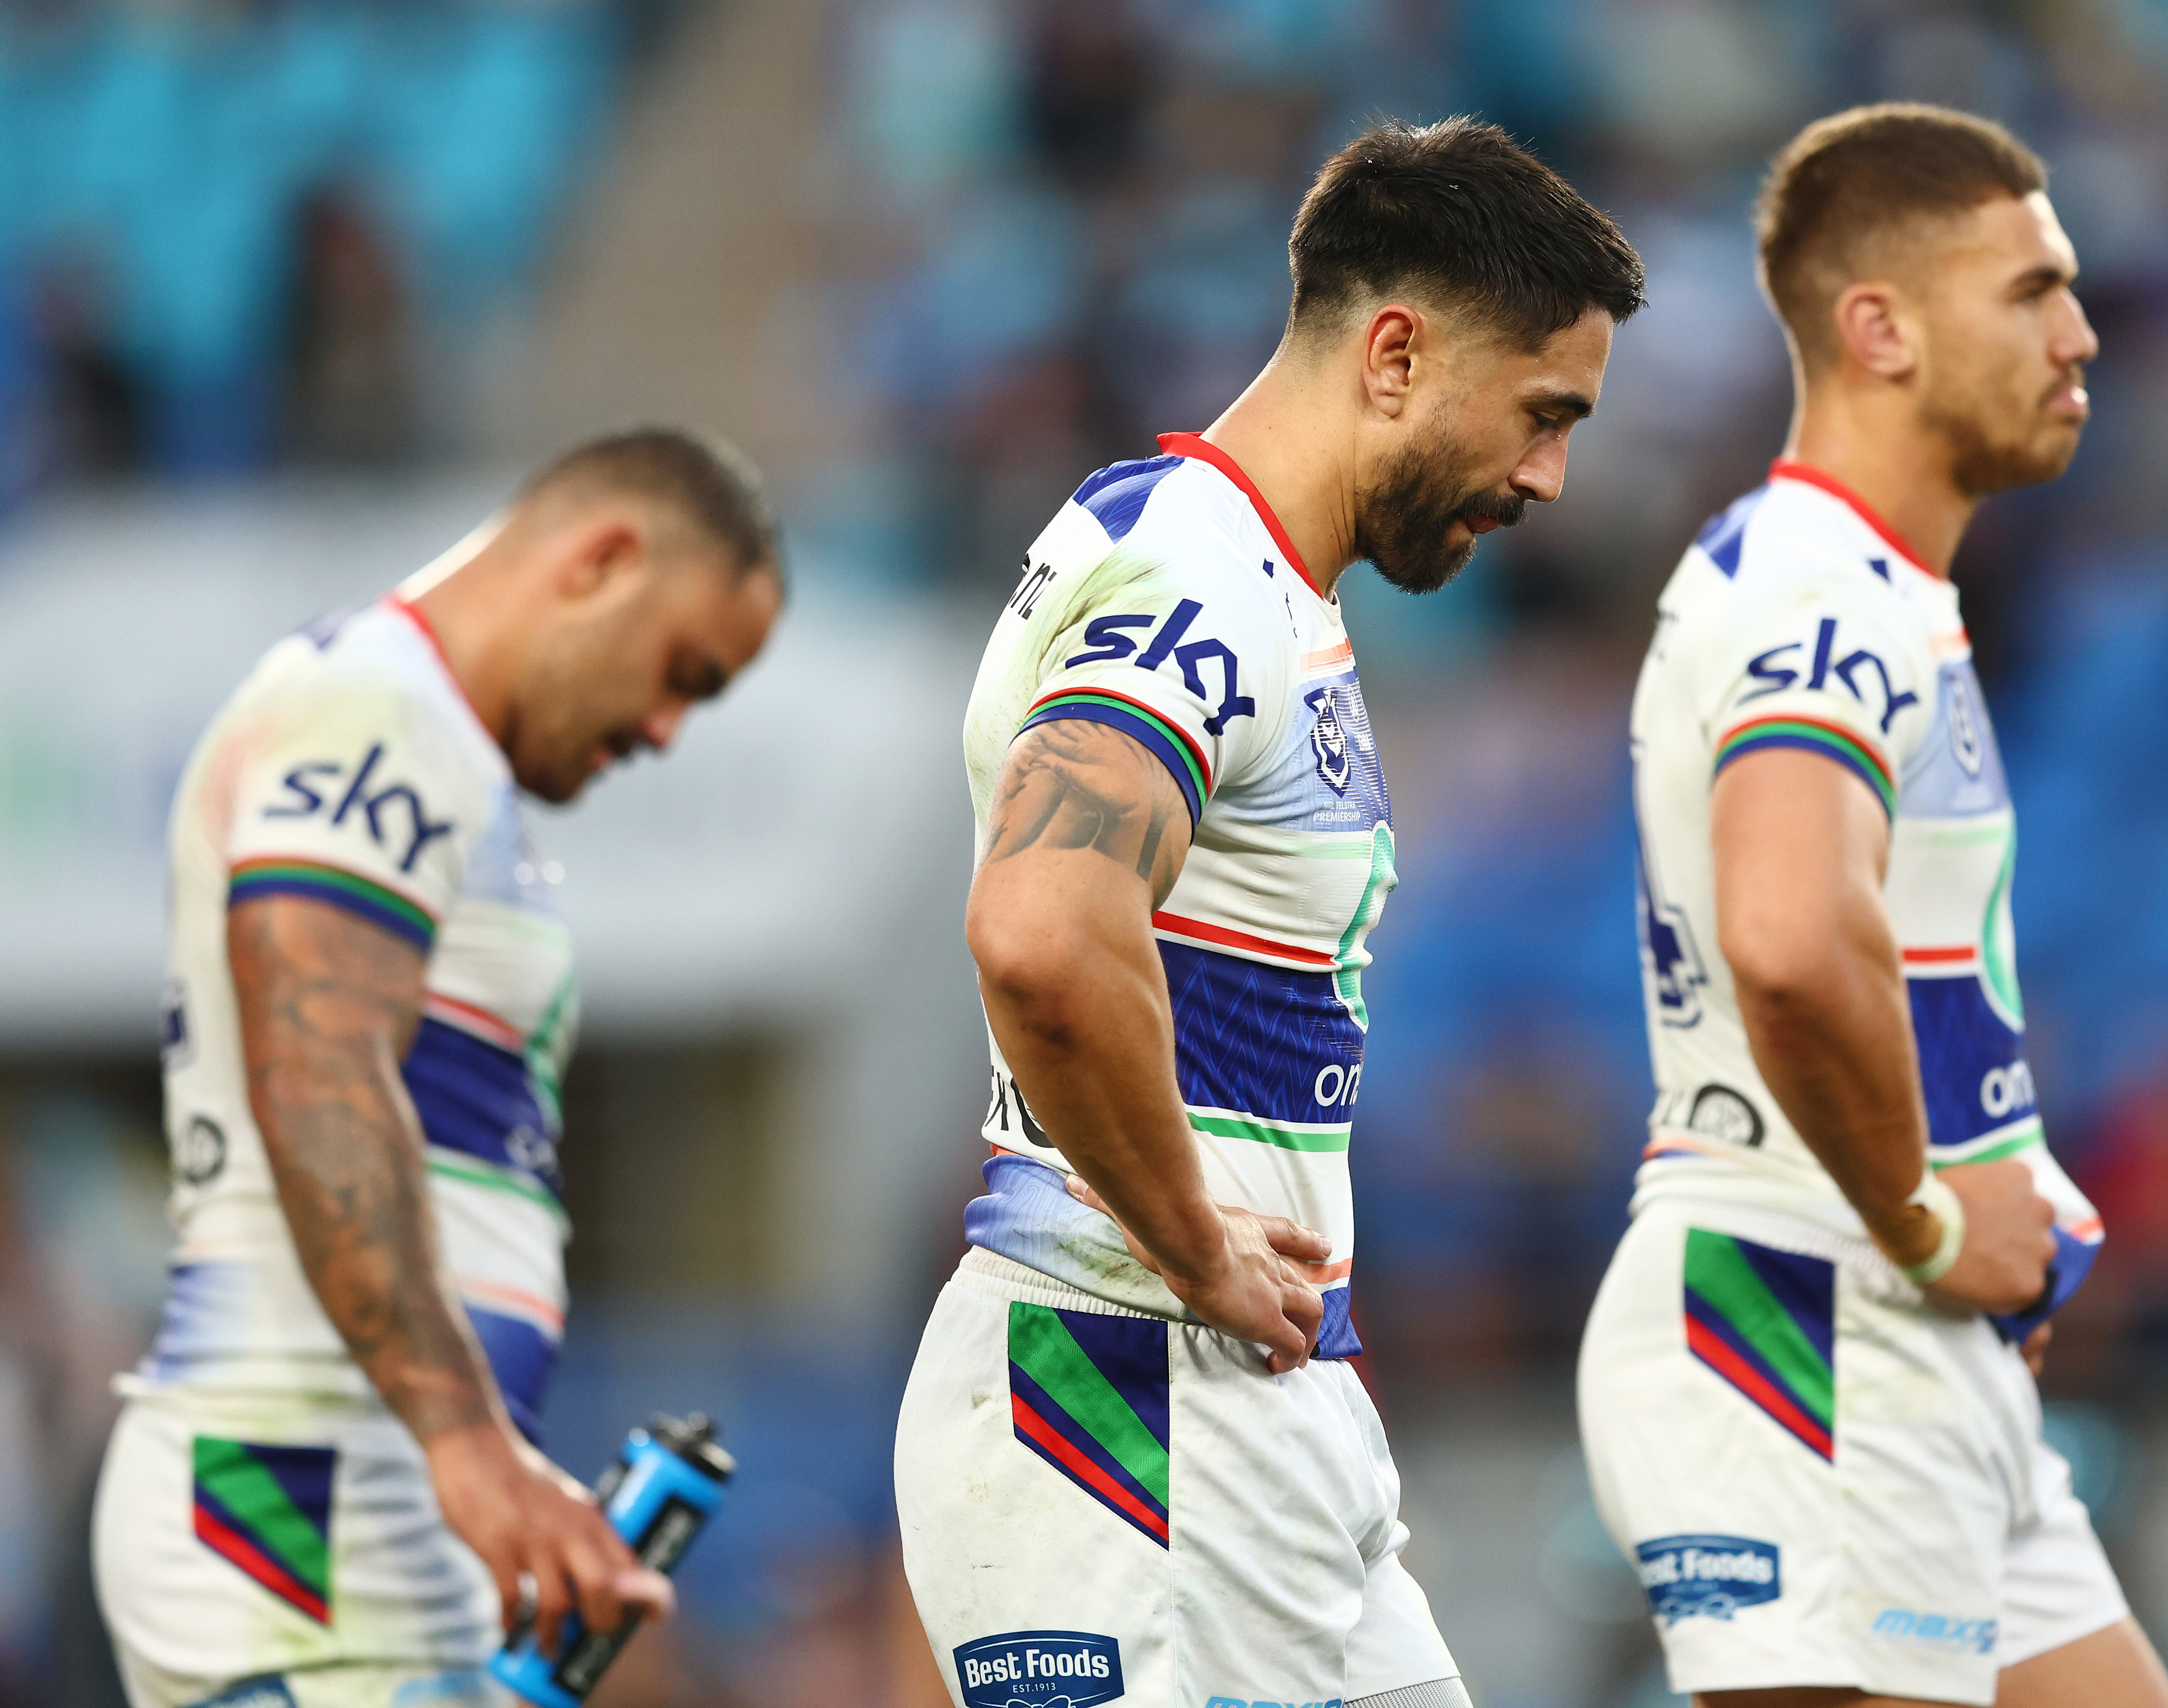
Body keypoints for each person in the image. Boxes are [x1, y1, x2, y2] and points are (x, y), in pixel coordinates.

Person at [895, 118, 1642, 1708]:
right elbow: (1038, 927)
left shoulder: (1239, 576)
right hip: (1117, 1390)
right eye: (1540, 413)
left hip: (1245, 1402)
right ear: (1393, 352)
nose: (1546, 477)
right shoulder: (1201, 578)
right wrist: (1189, 1239)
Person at [1576, 105, 2168, 1708]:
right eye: (2031, 290)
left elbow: (1882, 955)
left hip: (1898, 1328)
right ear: (1880, 328)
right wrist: (1925, 1213)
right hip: (1800, 1305)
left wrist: (2002, 1190)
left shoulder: (1874, 594)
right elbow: (1787, 934)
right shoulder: (1816, 589)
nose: (2081, 329)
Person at [94, 428, 785, 1708]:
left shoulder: (440, 753)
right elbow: (318, 1067)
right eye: (682, 672)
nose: (666, 729)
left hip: (359, 1509)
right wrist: (472, 1446)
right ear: (603, 561)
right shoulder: (379, 707)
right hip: (292, 1499)